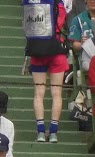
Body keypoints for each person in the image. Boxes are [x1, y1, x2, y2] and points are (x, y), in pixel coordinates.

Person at [24, 0, 68, 143]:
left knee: (39, 92)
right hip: (57, 50)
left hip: (37, 50)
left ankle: (41, 131)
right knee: (56, 93)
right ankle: (54, 132)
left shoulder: (31, 2)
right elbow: (61, 22)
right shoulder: (58, 3)